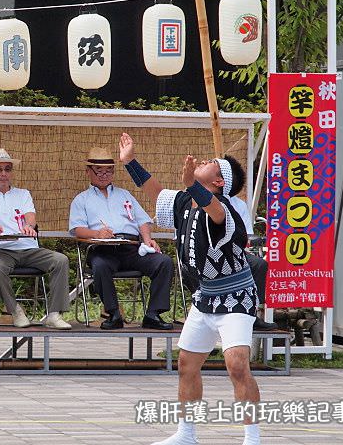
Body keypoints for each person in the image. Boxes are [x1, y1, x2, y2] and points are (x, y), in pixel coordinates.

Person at [119, 133, 262, 445]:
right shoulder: (185, 201)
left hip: (235, 297)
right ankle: (186, 434)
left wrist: (191, 182)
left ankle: (252, 439)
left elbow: (213, 209)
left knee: (237, 366)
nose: (205, 160)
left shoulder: (224, 207)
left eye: (212, 164)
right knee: (186, 366)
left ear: (220, 181)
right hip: (204, 296)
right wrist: (130, 161)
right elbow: (153, 190)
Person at [68, 146, 173, 330]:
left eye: (108, 170)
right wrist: (97, 234)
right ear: (88, 172)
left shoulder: (125, 195)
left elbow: (143, 221)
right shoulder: (81, 199)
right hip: (102, 249)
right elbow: (77, 229)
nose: (104, 174)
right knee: (100, 265)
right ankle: (114, 313)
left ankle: (152, 314)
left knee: (164, 261)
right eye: (98, 170)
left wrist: (147, 238)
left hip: (131, 247)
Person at [0, 148, 71, 330]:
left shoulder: (23, 194)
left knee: (61, 260)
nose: (4, 174)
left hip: (28, 247)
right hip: (1, 249)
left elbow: (30, 216)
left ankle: (54, 314)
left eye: (7, 169)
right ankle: (15, 310)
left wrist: (29, 227)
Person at [183, 192, 277, 332]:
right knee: (191, 266)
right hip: (201, 252)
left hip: (231, 251)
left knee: (258, 264)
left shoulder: (238, 204)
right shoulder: (188, 199)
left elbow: (245, 235)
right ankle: (204, 305)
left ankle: (252, 312)